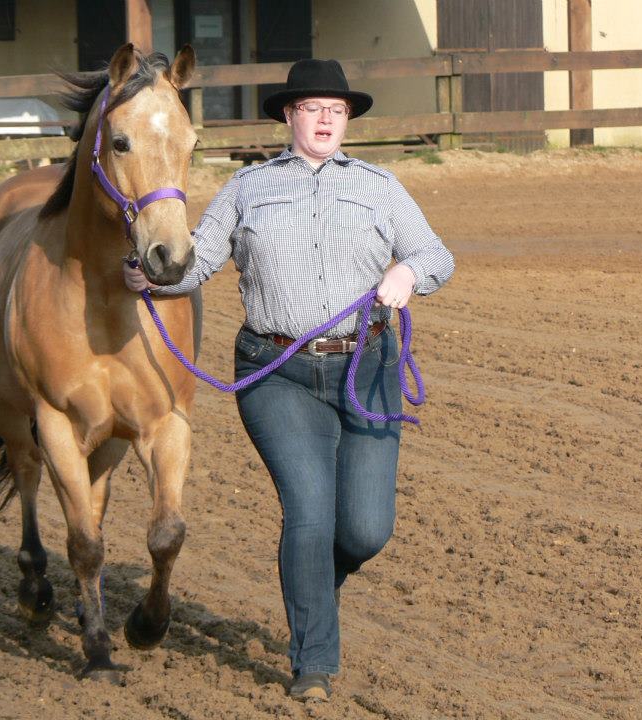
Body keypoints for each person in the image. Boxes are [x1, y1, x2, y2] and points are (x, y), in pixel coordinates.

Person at [123, 58, 454, 701]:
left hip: (369, 365)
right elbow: (198, 263)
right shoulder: (247, 190)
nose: (327, 118)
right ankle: (314, 666)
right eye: (313, 107)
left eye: (338, 109)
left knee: (364, 530)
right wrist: (155, 277)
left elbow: (434, 253)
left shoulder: (380, 186)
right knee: (307, 512)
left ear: (348, 120)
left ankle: (311, 588)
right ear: (289, 116)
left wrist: (407, 275)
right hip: (277, 373)